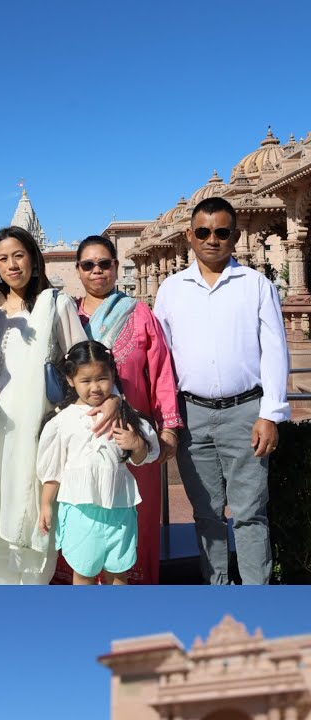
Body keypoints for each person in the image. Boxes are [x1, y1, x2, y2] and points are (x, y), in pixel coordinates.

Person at [153, 196, 289, 585]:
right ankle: (217, 589)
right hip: (192, 415)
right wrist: (167, 418)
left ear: (234, 237)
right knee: (206, 513)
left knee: (250, 512)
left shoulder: (255, 285)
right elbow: (162, 358)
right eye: (203, 232)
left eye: (221, 232)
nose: (212, 239)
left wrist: (270, 413)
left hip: (246, 413)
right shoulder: (172, 289)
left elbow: (275, 350)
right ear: (190, 236)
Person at [0, 226, 117, 584]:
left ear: (34, 260)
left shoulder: (56, 304)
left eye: (18, 255)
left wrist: (111, 399)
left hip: (41, 429)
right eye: (2, 259)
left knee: (35, 504)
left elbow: (84, 363)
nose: (11, 265)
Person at [54, 235, 180, 585]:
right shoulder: (69, 317)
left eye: (105, 264)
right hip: (80, 447)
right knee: (81, 527)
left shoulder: (140, 315)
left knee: (134, 529)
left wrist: (168, 428)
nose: (97, 272)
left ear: (115, 266)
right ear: (78, 271)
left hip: (131, 442)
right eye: (89, 265)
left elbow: (162, 373)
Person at [37, 340, 159, 585]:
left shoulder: (125, 414)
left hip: (120, 507)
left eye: (102, 379)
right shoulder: (63, 420)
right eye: (85, 381)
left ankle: (119, 620)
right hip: (80, 509)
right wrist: (46, 504)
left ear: (112, 375)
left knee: (119, 570)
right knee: (83, 571)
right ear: (70, 380)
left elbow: (144, 457)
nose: (95, 387)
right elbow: (53, 469)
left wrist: (136, 443)